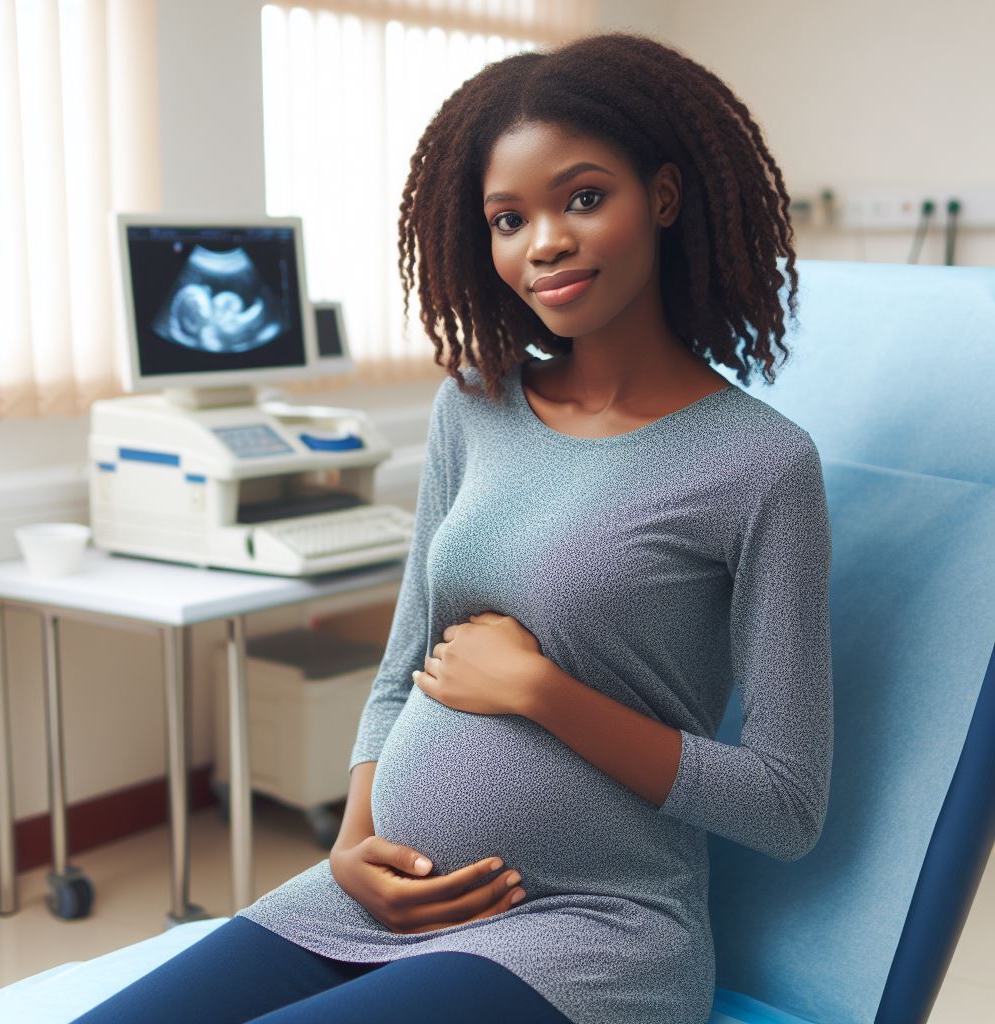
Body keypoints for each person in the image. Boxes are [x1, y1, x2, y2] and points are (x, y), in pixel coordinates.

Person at [73, 30, 832, 1024]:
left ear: (665, 196)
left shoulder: (760, 464)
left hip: (587, 930)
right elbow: (399, 670)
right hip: (367, 898)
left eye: (583, 197)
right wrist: (354, 841)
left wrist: (542, 692)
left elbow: (784, 803)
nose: (543, 242)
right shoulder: (471, 406)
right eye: (507, 218)